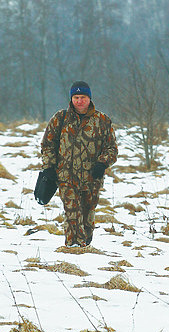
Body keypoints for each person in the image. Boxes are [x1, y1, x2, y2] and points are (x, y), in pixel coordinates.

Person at [40, 81, 118, 247]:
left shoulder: (102, 121)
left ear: (89, 98)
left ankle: (85, 245)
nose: (79, 101)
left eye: (83, 97)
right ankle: (73, 248)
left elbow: (111, 148)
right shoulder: (60, 118)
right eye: (76, 97)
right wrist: (48, 168)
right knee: (72, 215)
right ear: (71, 98)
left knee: (87, 216)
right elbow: (47, 145)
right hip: (66, 177)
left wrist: (102, 164)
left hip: (92, 179)